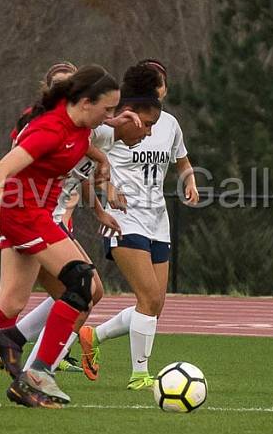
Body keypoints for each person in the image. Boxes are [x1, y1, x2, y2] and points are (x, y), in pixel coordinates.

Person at [0, 64, 122, 409]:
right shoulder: (50, 129)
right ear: (86, 102)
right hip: (22, 214)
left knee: (10, 304)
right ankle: (39, 371)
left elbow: (79, 148)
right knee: (84, 284)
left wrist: (101, 159)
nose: (111, 116)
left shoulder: (78, 126)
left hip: (35, 214)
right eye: (108, 109)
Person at [0, 76, 164, 382]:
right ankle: (33, 374)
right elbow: (76, 146)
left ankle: (14, 342)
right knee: (80, 294)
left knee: (85, 293)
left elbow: (80, 172)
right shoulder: (88, 129)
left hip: (48, 219)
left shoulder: (99, 134)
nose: (148, 133)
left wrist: (98, 209)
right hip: (32, 218)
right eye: (146, 124)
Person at [79, 59, 200, 390]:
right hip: (125, 218)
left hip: (158, 220)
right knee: (147, 296)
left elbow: (182, 160)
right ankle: (139, 375)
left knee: (155, 305)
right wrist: (108, 189)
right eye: (161, 80)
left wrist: (189, 180)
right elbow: (88, 162)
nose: (165, 86)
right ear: (151, 88)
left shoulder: (169, 123)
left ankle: (94, 335)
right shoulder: (112, 125)